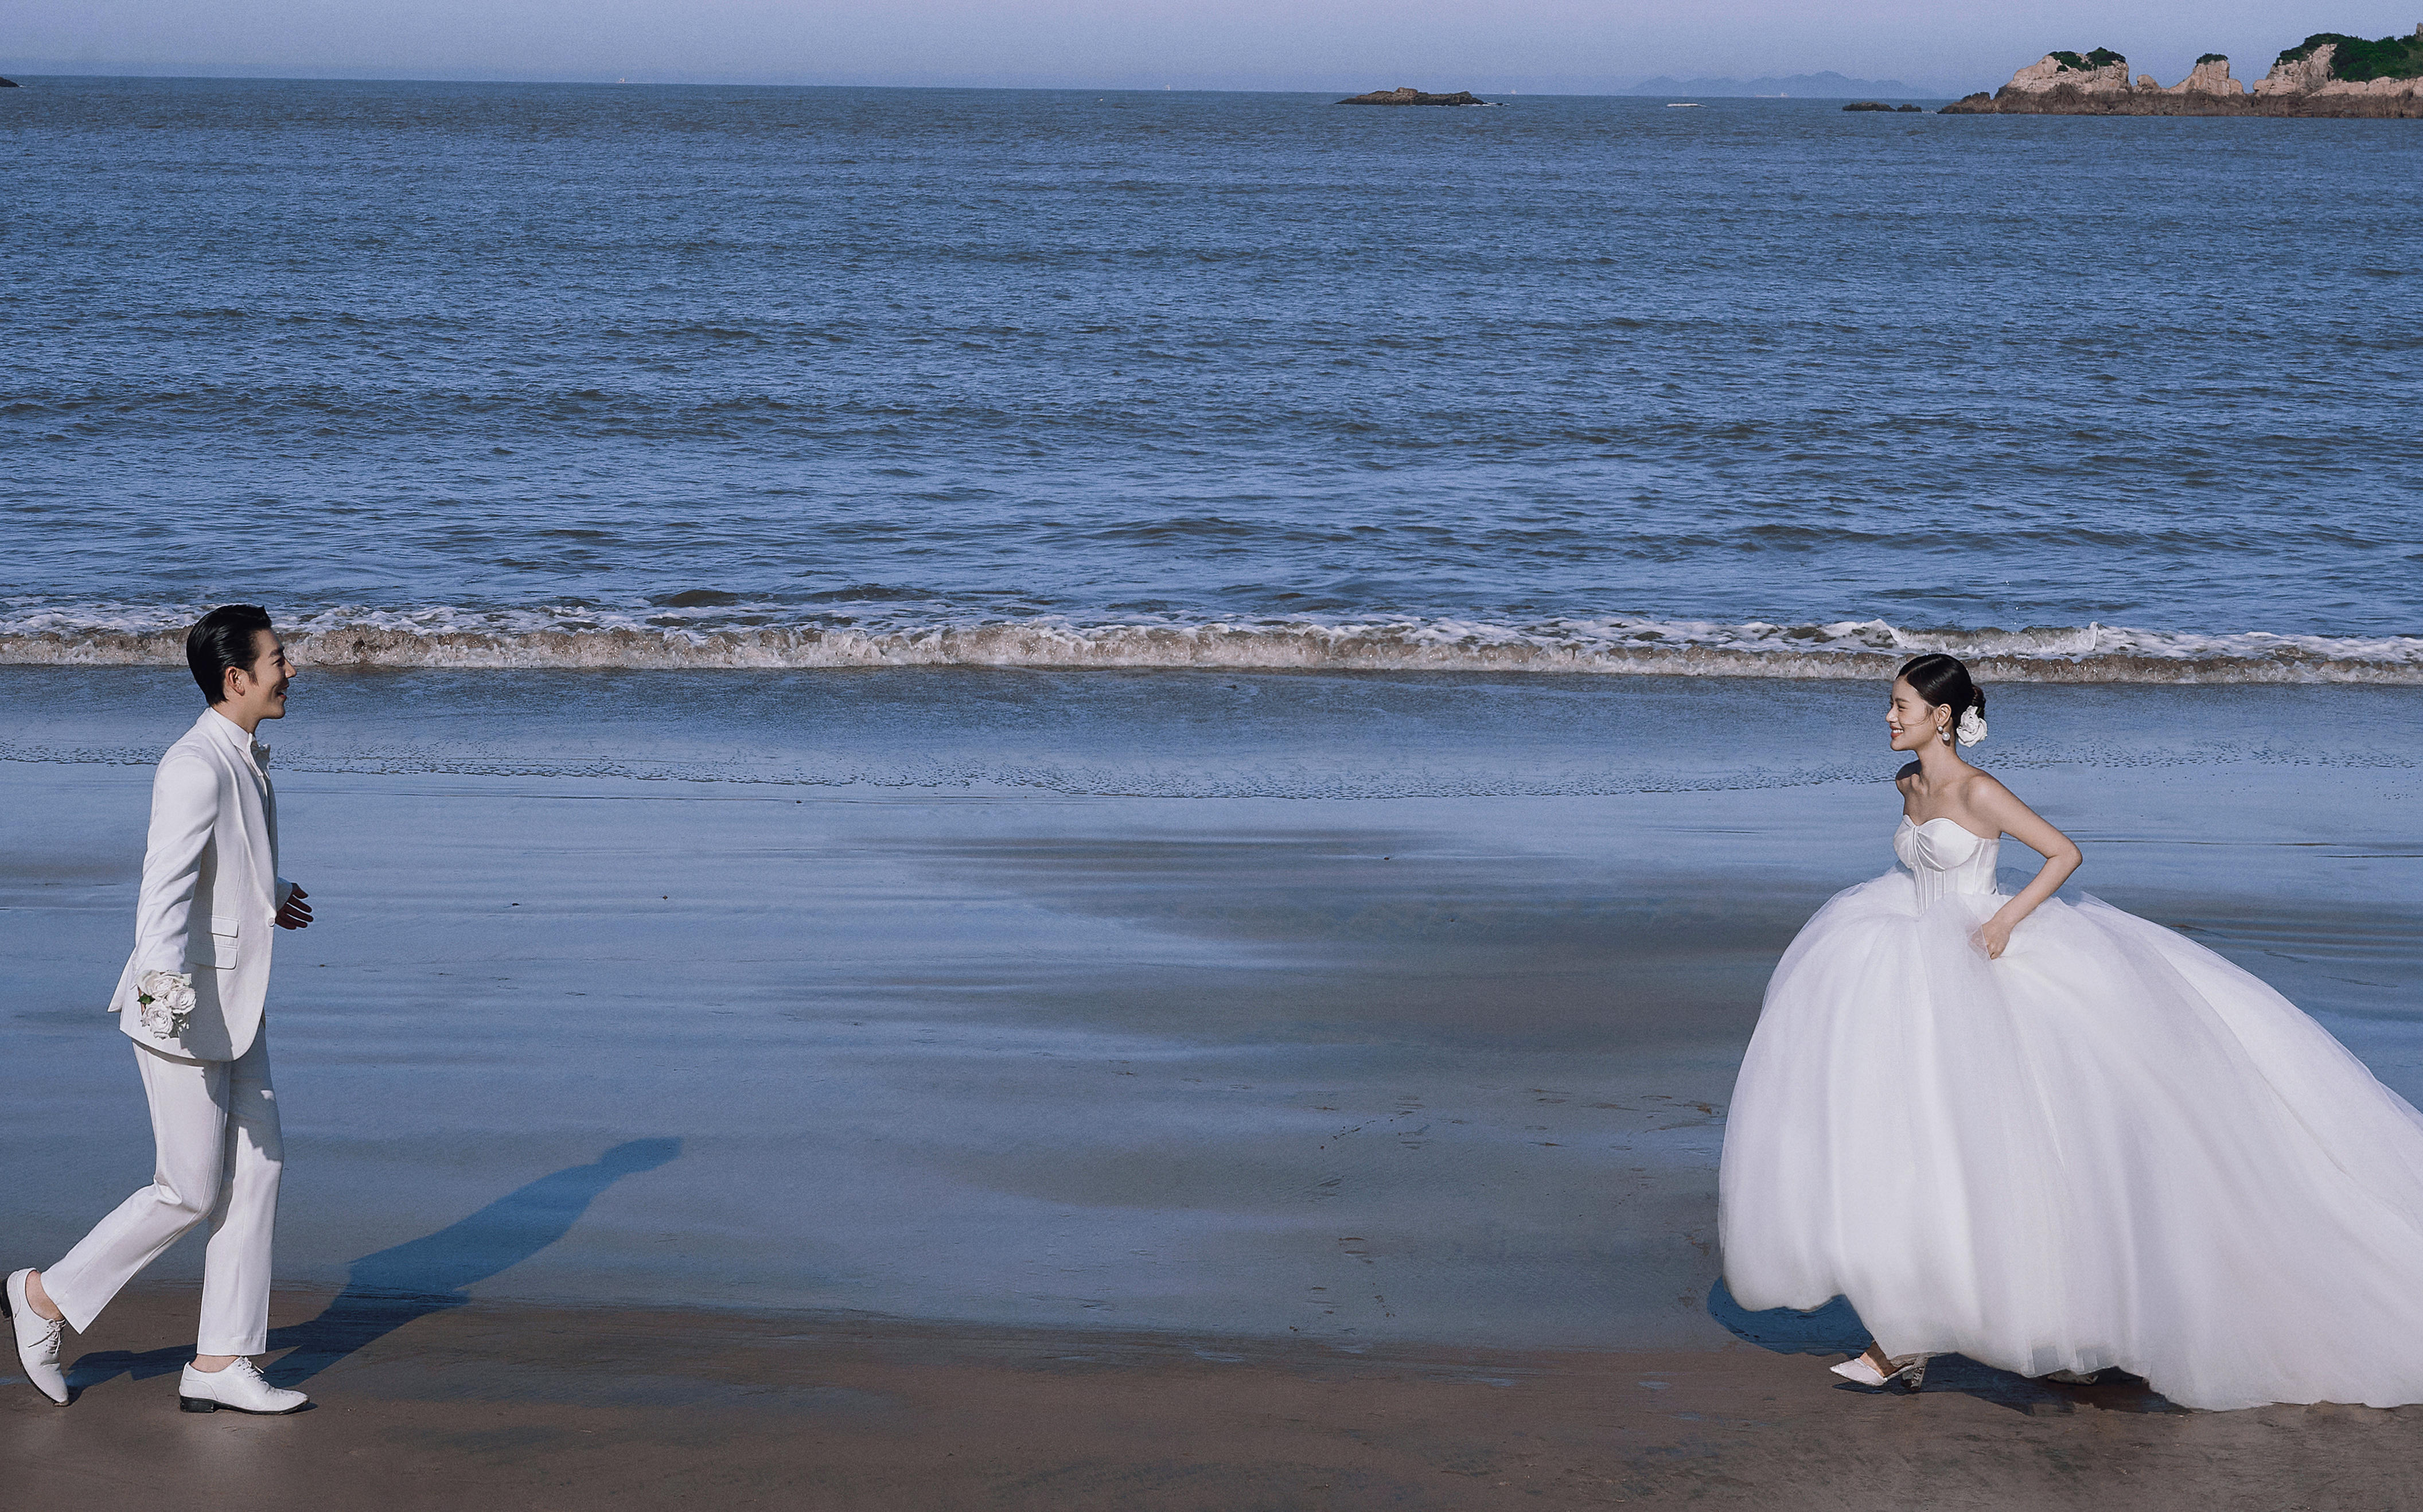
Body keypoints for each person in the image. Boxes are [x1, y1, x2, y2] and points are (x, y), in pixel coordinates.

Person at [1718, 652, 2423, 1412]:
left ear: (1943, 717)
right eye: (1890, 705)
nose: (1890, 717)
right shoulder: (1907, 784)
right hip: (1901, 956)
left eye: (1901, 706)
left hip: (1977, 958)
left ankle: (2031, 1330)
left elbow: (2062, 854)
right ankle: (1908, 1330)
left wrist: (2002, 922)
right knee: (1913, 1141)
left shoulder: (1978, 790)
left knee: (2024, 1148)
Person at [6, 606, 317, 1413]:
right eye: (280, 659)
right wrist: (163, 1003)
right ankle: (43, 1299)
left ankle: (220, 1361)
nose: (293, 670)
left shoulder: (239, 755)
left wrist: (272, 897)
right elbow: (162, 897)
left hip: (232, 1000)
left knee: (259, 1166)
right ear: (236, 678)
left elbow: (229, 863)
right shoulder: (194, 765)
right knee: (186, 1189)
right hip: (180, 1006)